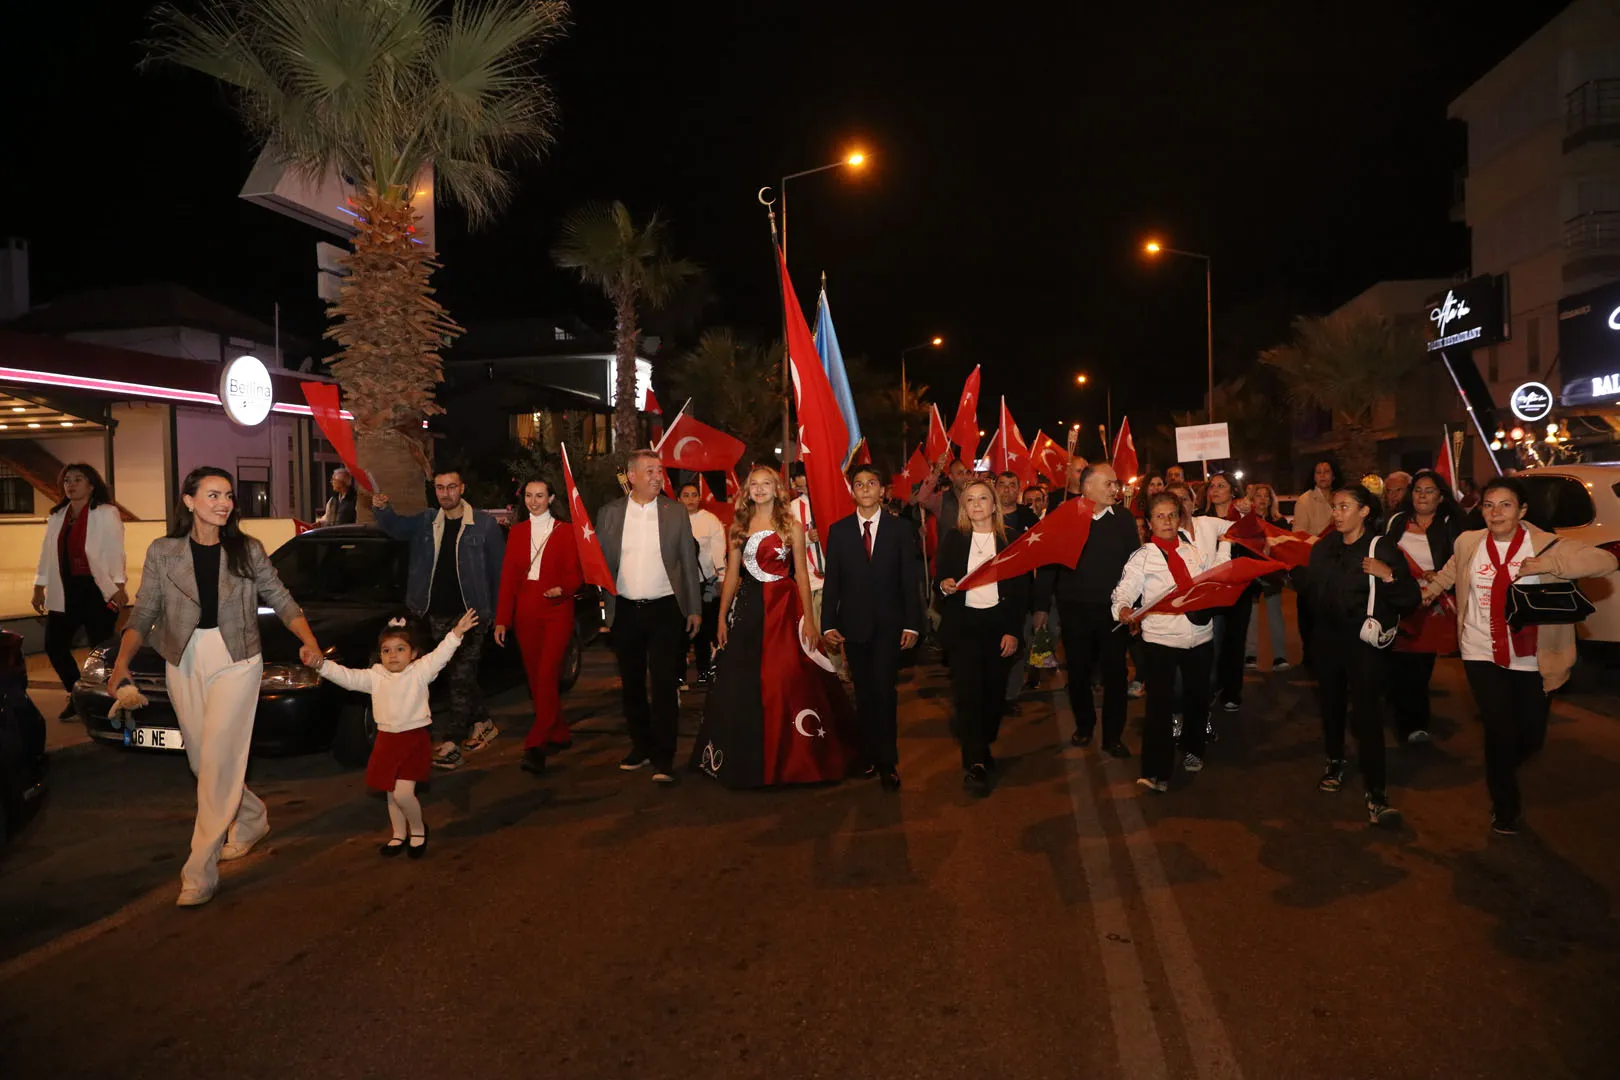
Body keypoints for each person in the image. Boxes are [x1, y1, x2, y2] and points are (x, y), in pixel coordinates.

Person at [109, 467, 322, 907]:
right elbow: (144, 611)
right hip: (183, 657)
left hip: (237, 659)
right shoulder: (164, 552)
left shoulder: (247, 550)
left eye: (227, 495)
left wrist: (310, 641)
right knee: (202, 761)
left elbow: (280, 598)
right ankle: (251, 818)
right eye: (212, 495)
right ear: (188, 501)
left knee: (219, 759)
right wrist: (121, 664)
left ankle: (199, 868)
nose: (223, 503)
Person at [1422, 477, 1617, 835]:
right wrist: (1428, 591)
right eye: (1489, 505)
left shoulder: (1545, 546)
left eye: (1506, 505)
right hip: (1480, 651)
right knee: (1498, 729)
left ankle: (1501, 768)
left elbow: (1605, 561)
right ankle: (1505, 806)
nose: (1495, 513)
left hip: (1532, 658)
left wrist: (1548, 566)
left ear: (1523, 510)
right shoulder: (1469, 542)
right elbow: (1452, 571)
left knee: (1530, 736)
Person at [690, 467, 857, 787]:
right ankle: (750, 755)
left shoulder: (791, 526)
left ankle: (797, 756)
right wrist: (723, 616)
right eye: (754, 484)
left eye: (767, 484)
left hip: (785, 607)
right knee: (746, 680)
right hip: (751, 610)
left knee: (788, 676)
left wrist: (810, 619)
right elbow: (733, 576)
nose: (760, 489)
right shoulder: (738, 527)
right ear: (747, 491)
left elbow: (803, 577)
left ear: (777, 489)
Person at [1294, 483, 1418, 828]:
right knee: (1331, 706)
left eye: (1344, 506)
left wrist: (1388, 576)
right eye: (1335, 507)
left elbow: (1410, 599)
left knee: (1367, 715)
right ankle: (1334, 761)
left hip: (1363, 644)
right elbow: (1311, 596)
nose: (1336, 513)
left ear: (1365, 511)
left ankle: (1376, 793)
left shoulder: (1382, 548)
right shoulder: (1324, 548)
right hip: (1328, 642)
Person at [373, 469, 505, 770]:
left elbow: (499, 573)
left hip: (471, 615)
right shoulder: (426, 521)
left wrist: (499, 617)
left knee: (459, 675)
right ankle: (483, 721)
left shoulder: (483, 525)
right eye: (440, 488)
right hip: (434, 613)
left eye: (451, 487)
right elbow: (396, 528)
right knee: (458, 676)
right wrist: (382, 509)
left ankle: (451, 741)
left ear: (463, 487)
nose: (445, 493)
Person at [316, 610, 477, 857]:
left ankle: (418, 829)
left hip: (413, 739)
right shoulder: (375, 677)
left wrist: (456, 633)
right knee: (391, 791)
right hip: (386, 740)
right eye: (387, 650)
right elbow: (347, 677)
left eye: (400, 649)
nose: (393, 655)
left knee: (403, 793)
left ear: (413, 654)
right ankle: (398, 834)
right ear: (380, 655)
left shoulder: (421, 671)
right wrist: (321, 665)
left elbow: (442, 655)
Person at [595, 449, 704, 784]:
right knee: (631, 685)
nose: (658, 476)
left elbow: (688, 562)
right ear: (631, 476)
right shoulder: (610, 514)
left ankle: (664, 757)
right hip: (625, 610)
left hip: (665, 610)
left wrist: (695, 608)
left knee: (663, 682)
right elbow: (597, 564)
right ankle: (641, 746)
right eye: (650, 471)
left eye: (660, 471)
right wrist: (602, 608)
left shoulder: (674, 512)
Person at [821, 463, 925, 790]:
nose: (865, 489)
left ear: (882, 490)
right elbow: (833, 583)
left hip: (889, 627)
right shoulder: (838, 531)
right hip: (854, 628)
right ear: (852, 492)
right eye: (859, 484)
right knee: (863, 694)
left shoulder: (899, 529)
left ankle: (887, 761)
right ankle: (866, 754)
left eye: (872, 483)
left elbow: (910, 580)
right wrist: (827, 624)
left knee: (884, 692)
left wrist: (912, 623)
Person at [1115, 492, 1225, 791]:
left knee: (1197, 698)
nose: (1166, 521)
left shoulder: (1193, 551)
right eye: (1160, 516)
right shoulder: (1143, 557)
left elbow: (1213, 578)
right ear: (1149, 523)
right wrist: (1123, 609)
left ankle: (1194, 749)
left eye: (1172, 515)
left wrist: (1227, 545)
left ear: (1179, 519)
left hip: (1200, 637)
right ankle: (1155, 770)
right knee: (1159, 707)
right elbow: (1123, 591)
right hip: (1160, 640)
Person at [1033, 463, 1140, 755]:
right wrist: (1041, 606)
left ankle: (1113, 736)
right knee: (1078, 673)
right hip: (1074, 611)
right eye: (1109, 484)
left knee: (1115, 675)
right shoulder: (1066, 517)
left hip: (1113, 612)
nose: (1115, 489)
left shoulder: (1123, 519)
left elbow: (1136, 564)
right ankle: (1084, 725)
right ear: (1087, 487)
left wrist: (1136, 607)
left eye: (1116, 484)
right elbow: (1048, 564)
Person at [937, 481, 1030, 796]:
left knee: (993, 697)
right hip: (964, 627)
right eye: (970, 499)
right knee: (968, 696)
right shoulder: (954, 539)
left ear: (994, 505)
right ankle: (974, 762)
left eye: (983, 498)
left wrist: (1013, 631)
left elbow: (1021, 592)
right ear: (965, 506)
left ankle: (983, 744)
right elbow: (941, 579)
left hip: (998, 626)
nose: (976, 504)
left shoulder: (1011, 540)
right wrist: (945, 585)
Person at [494, 478, 583, 775]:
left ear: (551, 498)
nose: (533, 501)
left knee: (546, 674)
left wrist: (565, 588)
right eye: (529, 496)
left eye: (540, 495)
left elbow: (576, 574)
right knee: (535, 679)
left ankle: (536, 744)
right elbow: (507, 580)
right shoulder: (517, 533)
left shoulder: (567, 531)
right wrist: (502, 620)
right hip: (526, 611)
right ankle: (559, 732)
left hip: (557, 610)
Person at [33, 463, 126, 717]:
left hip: (96, 589)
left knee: (101, 650)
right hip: (64, 589)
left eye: (78, 479)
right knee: (54, 645)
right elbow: (46, 553)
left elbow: (115, 549)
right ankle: (77, 694)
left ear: (91, 485)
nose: (71, 485)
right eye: (67, 481)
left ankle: (101, 697)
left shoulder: (106, 513)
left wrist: (118, 584)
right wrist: (39, 585)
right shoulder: (57, 515)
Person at [1381, 469, 1465, 744]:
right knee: (1399, 661)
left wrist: (1437, 575)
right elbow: (1383, 553)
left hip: (1433, 603)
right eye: (1418, 490)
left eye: (1429, 491)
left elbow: (1460, 562)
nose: (1422, 496)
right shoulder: (1396, 521)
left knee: (1419, 666)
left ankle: (1413, 722)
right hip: (1400, 600)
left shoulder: (1452, 523)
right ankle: (1406, 719)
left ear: (1441, 497)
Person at [1199, 471, 1254, 713]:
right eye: (1212, 486)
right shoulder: (1202, 520)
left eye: (1221, 485)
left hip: (1240, 588)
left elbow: (1256, 550)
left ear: (1233, 490)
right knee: (1213, 640)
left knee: (1235, 639)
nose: (1215, 489)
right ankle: (1212, 686)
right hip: (1213, 590)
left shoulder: (1244, 520)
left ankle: (1232, 691)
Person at [679, 480, 728, 687]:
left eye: (693, 495)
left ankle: (704, 669)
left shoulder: (711, 521)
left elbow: (719, 554)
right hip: (679, 585)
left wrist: (721, 581)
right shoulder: (671, 520)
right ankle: (679, 672)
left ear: (699, 498)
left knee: (706, 625)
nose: (690, 499)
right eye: (686, 495)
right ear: (678, 499)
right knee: (680, 627)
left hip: (707, 583)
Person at [1291, 460, 1337, 669]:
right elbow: (1299, 534)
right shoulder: (1305, 500)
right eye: (1318, 472)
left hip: (1337, 565)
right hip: (1312, 563)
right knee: (1310, 613)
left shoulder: (1341, 497)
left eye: (1327, 472)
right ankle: (1309, 656)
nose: (1323, 476)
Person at [1241, 482, 1291, 671]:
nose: (1262, 499)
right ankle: (1250, 655)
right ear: (1252, 500)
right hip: (1251, 573)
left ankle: (1279, 656)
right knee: (1251, 616)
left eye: (1266, 496)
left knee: (1275, 615)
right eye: (1258, 496)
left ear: (1271, 500)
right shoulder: (1247, 521)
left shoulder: (1279, 522)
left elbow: (1286, 546)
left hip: (1271, 574)